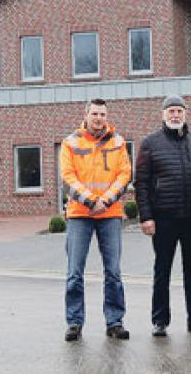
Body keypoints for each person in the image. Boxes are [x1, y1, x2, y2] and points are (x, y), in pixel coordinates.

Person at [134, 95, 191, 338]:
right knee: (163, 271)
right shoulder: (150, 143)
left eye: (179, 110)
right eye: (171, 110)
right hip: (163, 219)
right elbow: (142, 183)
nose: (175, 115)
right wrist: (146, 216)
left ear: (185, 114)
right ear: (163, 115)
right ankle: (160, 320)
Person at [60, 98, 132, 342]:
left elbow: (124, 175)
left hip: (110, 214)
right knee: (74, 272)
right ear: (86, 115)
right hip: (80, 215)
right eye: (95, 114)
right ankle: (74, 322)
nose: (99, 118)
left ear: (106, 116)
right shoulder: (70, 143)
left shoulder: (119, 142)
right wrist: (92, 201)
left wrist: (106, 201)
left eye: (102, 114)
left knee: (113, 272)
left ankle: (114, 322)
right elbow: (68, 178)